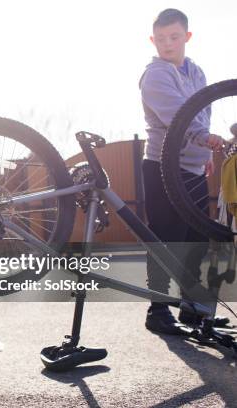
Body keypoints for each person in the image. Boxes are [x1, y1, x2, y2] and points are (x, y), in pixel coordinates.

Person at [139, 9, 227, 334]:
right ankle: (157, 311)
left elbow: (203, 112)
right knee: (167, 238)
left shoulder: (197, 73)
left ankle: (191, 309)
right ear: (153, 40)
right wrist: (203, 138)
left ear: (186, 37)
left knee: (196, 240)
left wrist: (205, 151)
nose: (168, 44)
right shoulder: (155, 75)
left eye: (174, 37)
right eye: (161, 38)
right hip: (163, 167)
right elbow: (178, 116)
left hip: (192, 169)